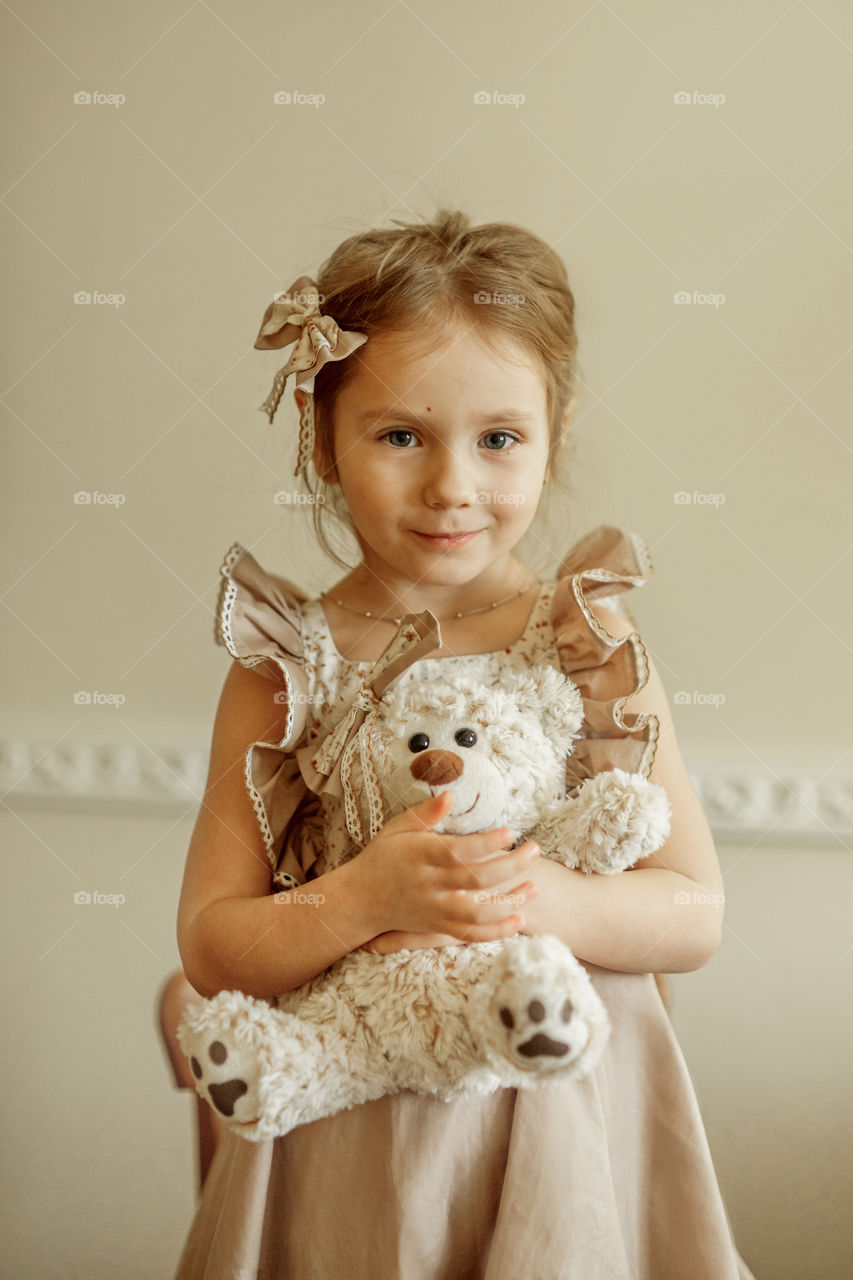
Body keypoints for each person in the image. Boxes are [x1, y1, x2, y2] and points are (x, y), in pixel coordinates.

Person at [173, 209, 757, 1280]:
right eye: (401, 435)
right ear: (323, 437)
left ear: (554, 434)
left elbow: (695, 907)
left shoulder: (588, 640)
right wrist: (361, 899)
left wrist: (538, 898)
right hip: (356, 1126)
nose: (452, 485)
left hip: (563, 1109)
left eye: (498, 438)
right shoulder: (280, 665)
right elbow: (212, 939)